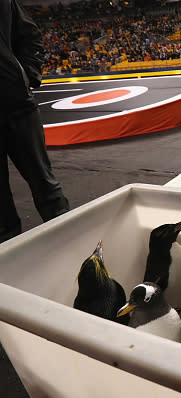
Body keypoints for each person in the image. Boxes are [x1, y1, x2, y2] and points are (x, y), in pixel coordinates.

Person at [1, 0, 70, 243]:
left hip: (17, 105)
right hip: (17, 100)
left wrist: (26, 76)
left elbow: (30, 36)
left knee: (46, 185)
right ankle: (8, 264)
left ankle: (70, 246)